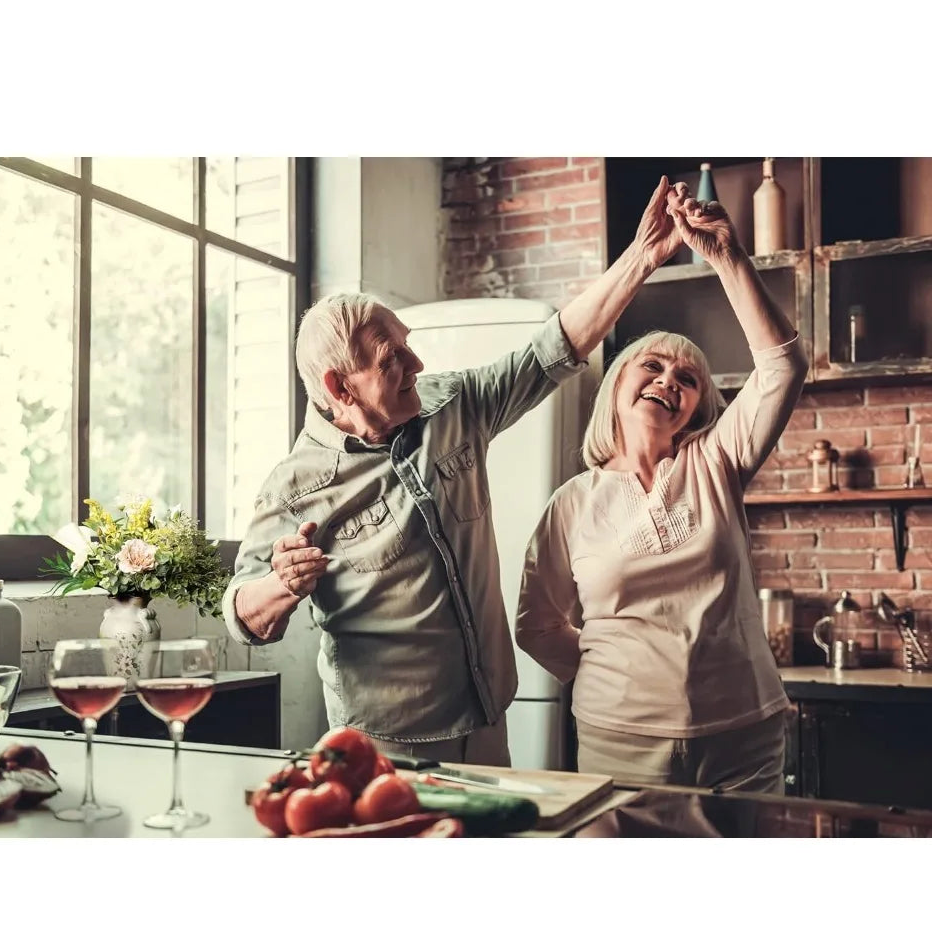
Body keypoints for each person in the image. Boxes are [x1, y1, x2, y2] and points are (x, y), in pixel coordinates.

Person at [222, 176, 687, 766]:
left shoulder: (452, 405)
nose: (418, 363)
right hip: (386, 744)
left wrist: (642, 258)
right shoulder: (293, 487)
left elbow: (553, 347)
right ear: (340, 387)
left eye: (408, 345)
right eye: (393, 360)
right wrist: (280, 586)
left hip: (489, 717)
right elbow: (243, 617)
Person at [515, 184, 808, 793]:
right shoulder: (572, 502)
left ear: (699, 407)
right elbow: (537, 627)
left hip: (742, 736)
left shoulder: (717, 461)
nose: (669, 379)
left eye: (688, 378)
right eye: (652, 365)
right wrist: (615, 678)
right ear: (617, 385)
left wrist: (727, 257)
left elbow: (782, 366)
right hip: (616, 739)